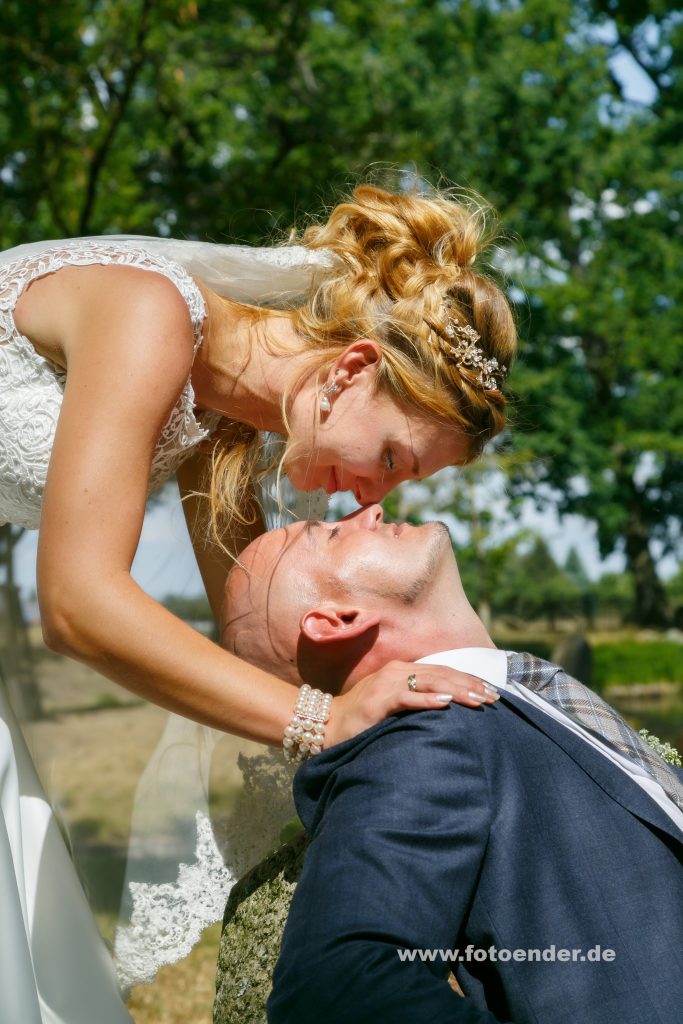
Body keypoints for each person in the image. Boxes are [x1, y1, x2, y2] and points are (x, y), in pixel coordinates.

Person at [0, 184, 514, 1020]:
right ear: (352, 370)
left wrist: (413, 720)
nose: (372, 498)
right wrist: (321, 721)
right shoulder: (149, 312)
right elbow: (76, 604)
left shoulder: (220, 423)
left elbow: (254, 640)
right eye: (389, 455)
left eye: (401, 477)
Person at [221, 505, 683, 1024]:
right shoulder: (421, 741)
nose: (368, 510)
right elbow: (335, 991)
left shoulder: (513, 702)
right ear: (337, 619)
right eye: (329, 533)